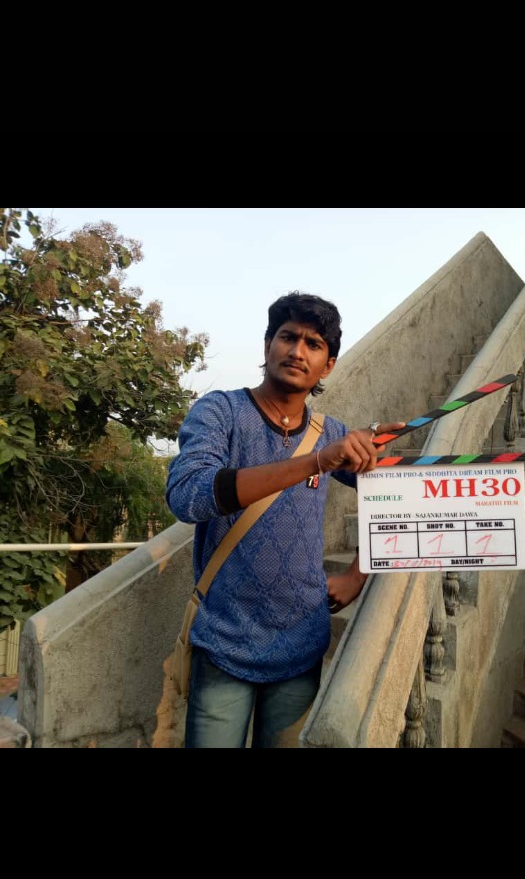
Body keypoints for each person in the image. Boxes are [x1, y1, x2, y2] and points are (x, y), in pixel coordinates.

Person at [166, 292, 404, 749]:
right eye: (288, 337)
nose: (297, 351)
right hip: (224, 641)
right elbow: (188, 496)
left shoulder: (332, 434)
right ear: (267, 345)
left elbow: (394, 498)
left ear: (327, 366)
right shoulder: (222, 412)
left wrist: (358, 574)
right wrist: (315, 462)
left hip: (302, 645)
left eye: (313, 344)